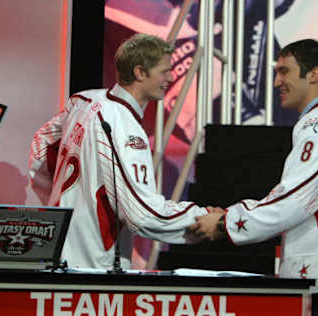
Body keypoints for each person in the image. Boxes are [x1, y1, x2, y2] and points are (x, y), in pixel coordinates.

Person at [189, 39, 318, 315]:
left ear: (314, 74)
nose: (275, 82)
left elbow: (295, 199)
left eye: (284, 71)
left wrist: (225, 222)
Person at [29, 34, 209, 269]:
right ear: (140, 73)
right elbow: (142, 215)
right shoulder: (125, 128)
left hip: (56, 249)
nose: (171, 77)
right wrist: (203, 220)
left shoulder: (82, 100)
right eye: (164, 71)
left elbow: (40, 147)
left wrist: (56, 203)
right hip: (93, 265)